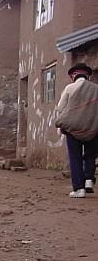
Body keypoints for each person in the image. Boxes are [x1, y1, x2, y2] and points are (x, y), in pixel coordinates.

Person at [56, 62, 97, 198]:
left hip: (73, 129)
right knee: (90, 155)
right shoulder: (96, 89)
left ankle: (79, 189)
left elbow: (61, 108)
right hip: (92, 129)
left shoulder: (69, 88)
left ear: (73, 76)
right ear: (87, 76)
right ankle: (89, 179)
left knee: (75, 157)